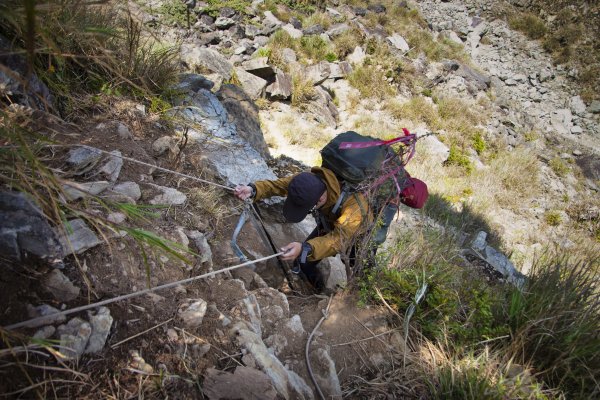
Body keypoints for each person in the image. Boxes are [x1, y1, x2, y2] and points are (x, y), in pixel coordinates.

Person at [234, 166, 428, 291]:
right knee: (304, 262)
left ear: (320, 200)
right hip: (332, 221)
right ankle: (318, 291)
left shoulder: (355, 207)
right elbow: (280, 185)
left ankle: (364, 296)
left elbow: (338, 239)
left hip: (359, 232)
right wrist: (253, 189)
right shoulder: (310, 181)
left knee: (359, 266)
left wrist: (306, 248)